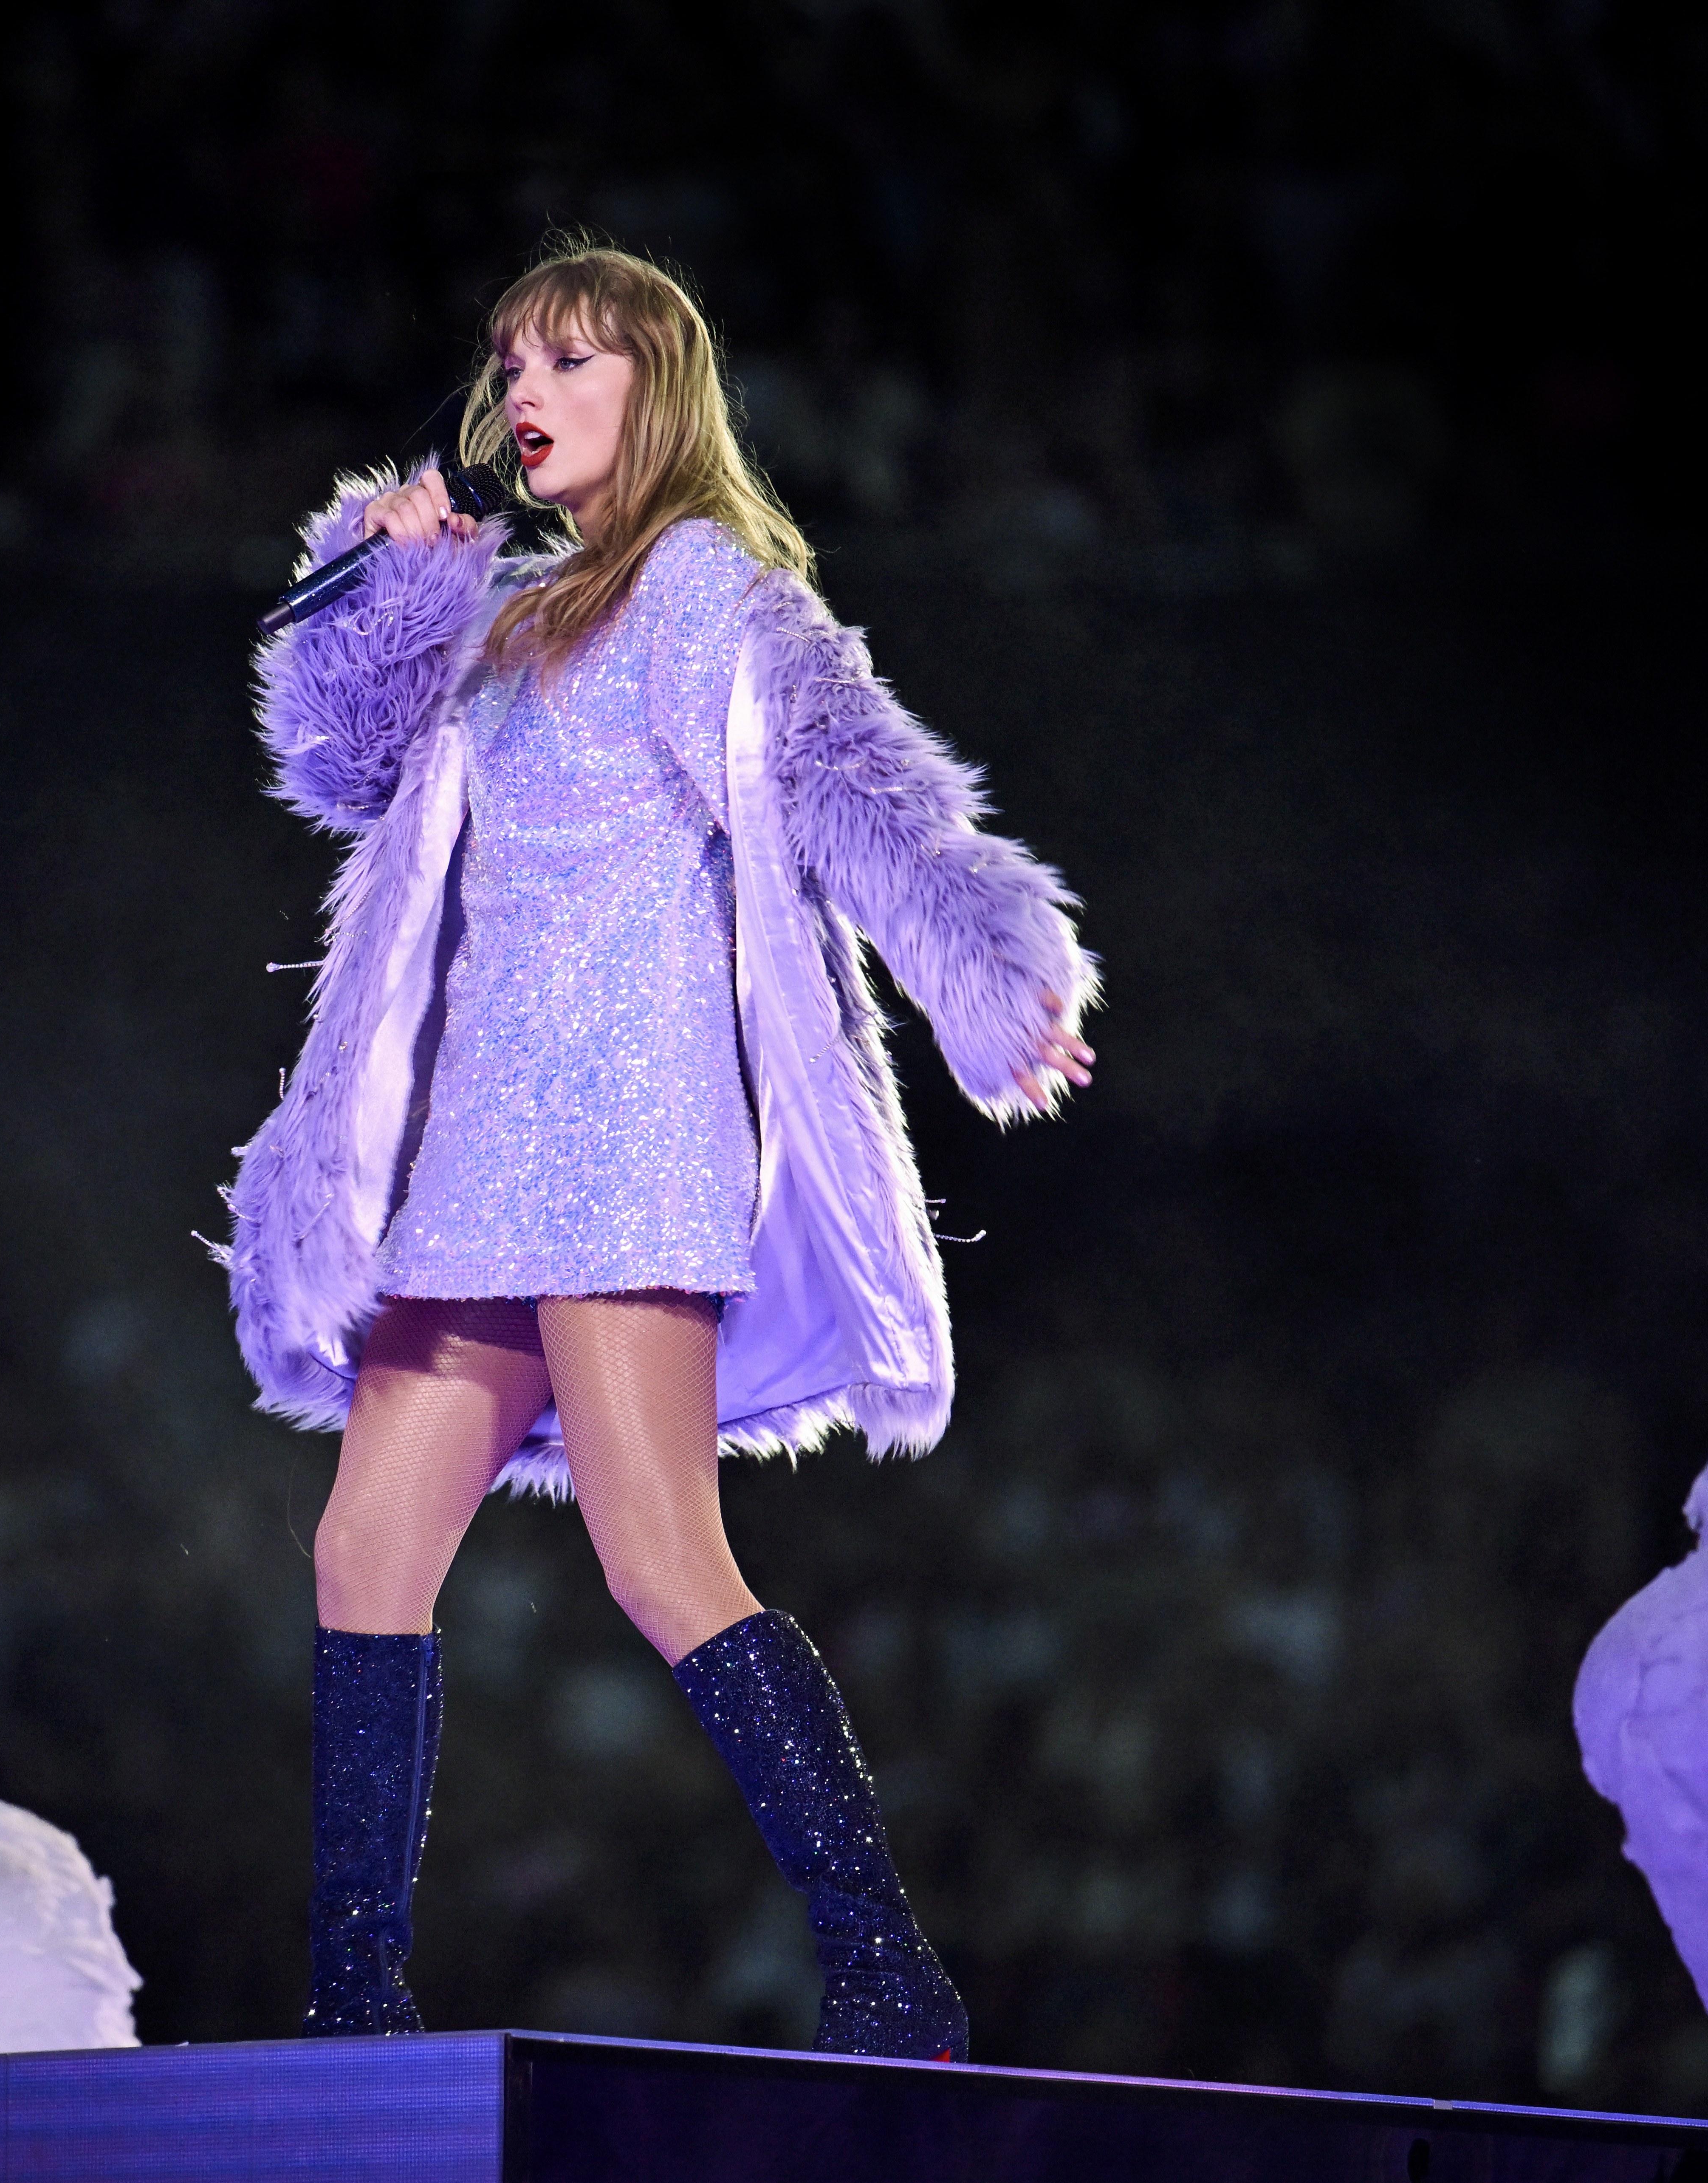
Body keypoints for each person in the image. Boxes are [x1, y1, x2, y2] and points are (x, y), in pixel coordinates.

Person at [223, 242, 1095, 2065]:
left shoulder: (710, 595)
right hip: (472, 1146)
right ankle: (351, 2003)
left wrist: (985, 969)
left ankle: (883, 1972)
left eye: (570, 359)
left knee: (661, 1563)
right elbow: (332, 762)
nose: (523, 389)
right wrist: (389, 584)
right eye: (507, 359)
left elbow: (862, 792)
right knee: (359, 1552)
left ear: (658, 393)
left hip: (628, 1128)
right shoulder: (498, 603)